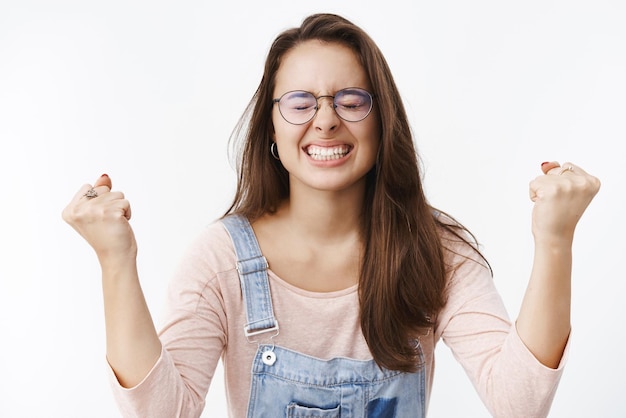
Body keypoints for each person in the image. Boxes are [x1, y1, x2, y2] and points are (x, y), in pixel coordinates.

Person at [62, 13, 600, 418]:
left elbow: (520, 401)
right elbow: (164, 412)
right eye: (300, 103)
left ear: (381, 119)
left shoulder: (435, 251)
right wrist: (116, 259)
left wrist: (555, 241)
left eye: (350, 100)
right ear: (271, 129)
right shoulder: (221, 258)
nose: (325, 121)